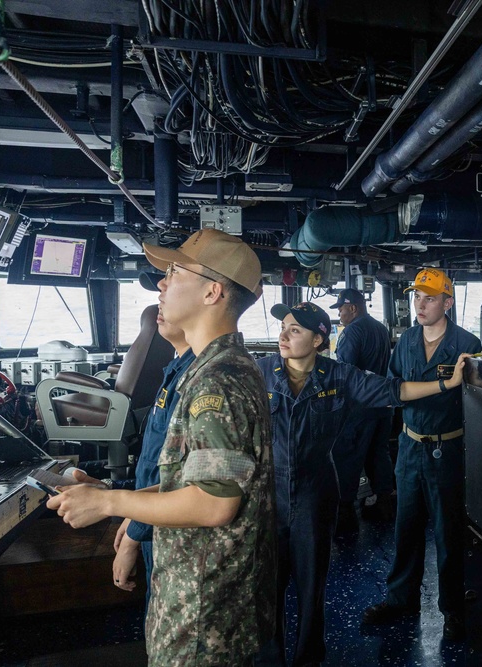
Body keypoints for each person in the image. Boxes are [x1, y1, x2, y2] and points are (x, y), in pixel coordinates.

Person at [47, 229, 276, 667]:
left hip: (205, 608)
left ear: (212, 292)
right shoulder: (207, 369)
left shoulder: (219, 380)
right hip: (195, 594)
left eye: (174, 272)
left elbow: (214, 504)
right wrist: (110, 498)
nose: (162, 284)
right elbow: (189, 483)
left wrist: (110, 502)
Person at [257, 301, 472, 666]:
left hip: (314, 492)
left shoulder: (338, 376)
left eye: (295, 330)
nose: (283, 336)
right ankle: (269, 660)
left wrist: (445, 383)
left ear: (319, 339)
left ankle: (308, 658)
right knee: (265, 588)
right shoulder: (259, 371)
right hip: (266, 492)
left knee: (312, 587)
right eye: (284, 328)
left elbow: (394, 390)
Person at [361, 268, 482, 642]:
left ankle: (452, 609)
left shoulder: (467, 345)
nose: (420, 305)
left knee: (449, 533)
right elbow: (395, 386)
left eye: (429, 298)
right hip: (411, 447)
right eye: (417, 297)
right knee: (406, 527)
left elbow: (479, 403)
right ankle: (401, 599)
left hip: (449, 447)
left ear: (447, 302)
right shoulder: (407, 340)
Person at [110, 273, 195, 609]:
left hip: (174, 535)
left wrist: (130, 525)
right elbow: (158, 465)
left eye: (174, 279)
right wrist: (128, 507)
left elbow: (189, 486)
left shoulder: (201, 379)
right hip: (155, 522)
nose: (161, 289)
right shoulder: (174, 369)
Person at [328, 287, 395, 532]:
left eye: (341, 309)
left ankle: (345, 513)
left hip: (359, 407)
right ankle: (384, 503)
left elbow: (344, 372)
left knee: (348, 456)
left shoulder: (352, 332)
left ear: (353, 308)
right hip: (383, 403)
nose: (340, 315)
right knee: (379, 453)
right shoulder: (379, 328)